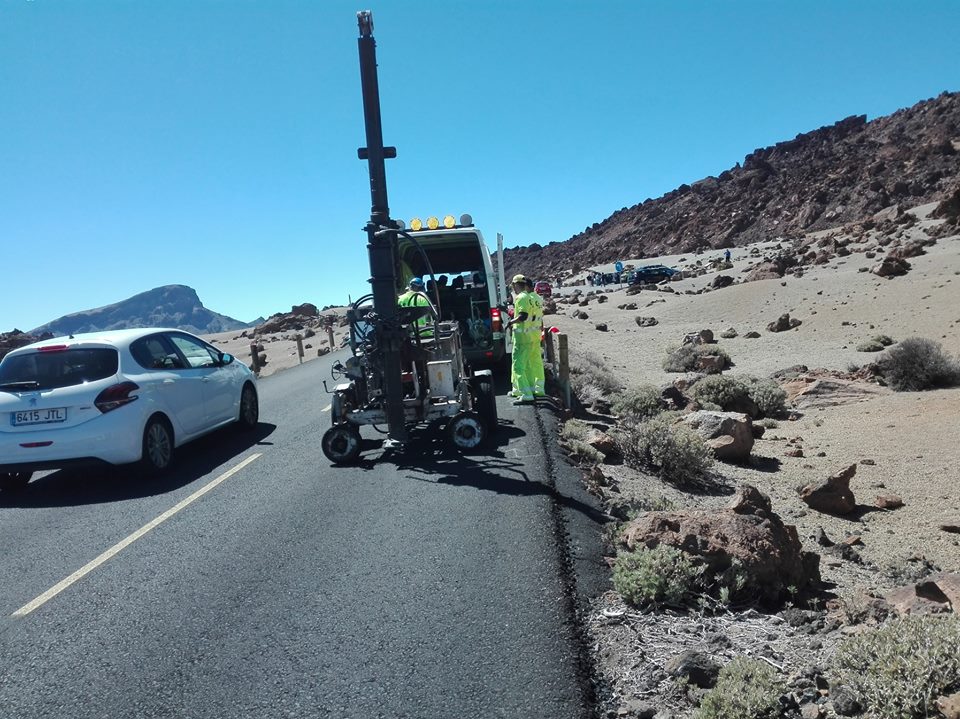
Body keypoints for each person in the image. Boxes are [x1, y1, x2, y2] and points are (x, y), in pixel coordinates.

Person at [505, 274, 540, 404]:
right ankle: (520, 390)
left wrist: (510, 323)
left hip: (522, 339)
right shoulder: (530, 297)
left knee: (518, 367)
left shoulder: (520, 298)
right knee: (526, 365)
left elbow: (523, 316)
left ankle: (526, 394)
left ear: (514, 285)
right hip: (528, 337)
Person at [525, 277, 546, 398]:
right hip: (537, 333)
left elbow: (525, 316)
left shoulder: (527, 299)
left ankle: (531, 388)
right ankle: (540, 388)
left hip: (528, 334)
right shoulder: (538, 298)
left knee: (528, 363)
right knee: (537, 362)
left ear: (527, 287)